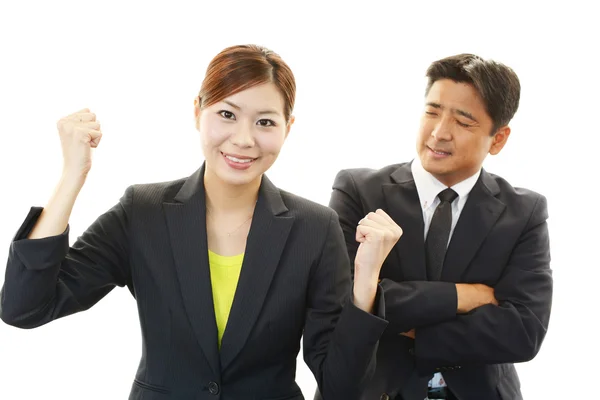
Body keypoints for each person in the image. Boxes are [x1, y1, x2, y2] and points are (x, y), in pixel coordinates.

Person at [0, 44, 401, 400]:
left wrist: (365, 282)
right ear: (198, 111)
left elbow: (341, 387)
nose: (244, 139)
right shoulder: (143, 211)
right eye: (227, 114)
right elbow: (25, 307)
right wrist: (73, 175)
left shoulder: (315, 227)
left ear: (287, 128)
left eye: (265, 122)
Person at [322, 54, 553, 399]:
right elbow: (344, 301)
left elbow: (522, 331)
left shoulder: (524, 212)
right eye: (432, 112)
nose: (439, 132)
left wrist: (394, 316)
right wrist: (465, 296)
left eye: (463, 122)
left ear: (498, 138)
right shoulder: (359, 191)